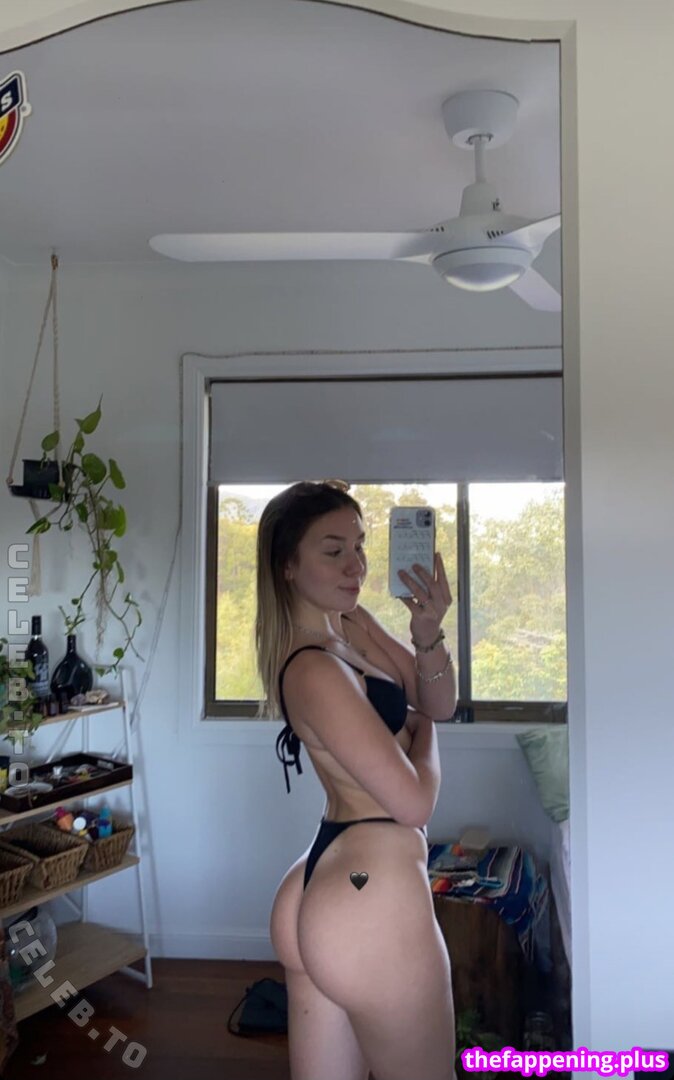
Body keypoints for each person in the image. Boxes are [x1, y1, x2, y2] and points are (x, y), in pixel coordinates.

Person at [256, 480, 457, 1080]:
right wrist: (423, 734)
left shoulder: (350, 625)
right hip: (368, 891)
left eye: (360, 546)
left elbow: (438, 701)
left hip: (337, 876)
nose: (356, 565)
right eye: (333, 550)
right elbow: (414, 802)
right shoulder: (313, 670)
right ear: (288, 565)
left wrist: (428, 630)